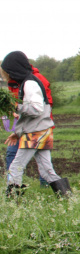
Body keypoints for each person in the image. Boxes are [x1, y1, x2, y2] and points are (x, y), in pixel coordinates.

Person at [2, 52, 64, 196]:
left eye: (7, 71)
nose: (6, 75)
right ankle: (66, 197)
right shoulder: (29, 81)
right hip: (43, 130)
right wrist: (17, 133)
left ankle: (13, 201)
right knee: (46, 170)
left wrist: (16, 106)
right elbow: (30, 115)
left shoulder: (29, 83)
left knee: (16, 167)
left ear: (13, 69)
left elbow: (36, 109)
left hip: (35, 133)